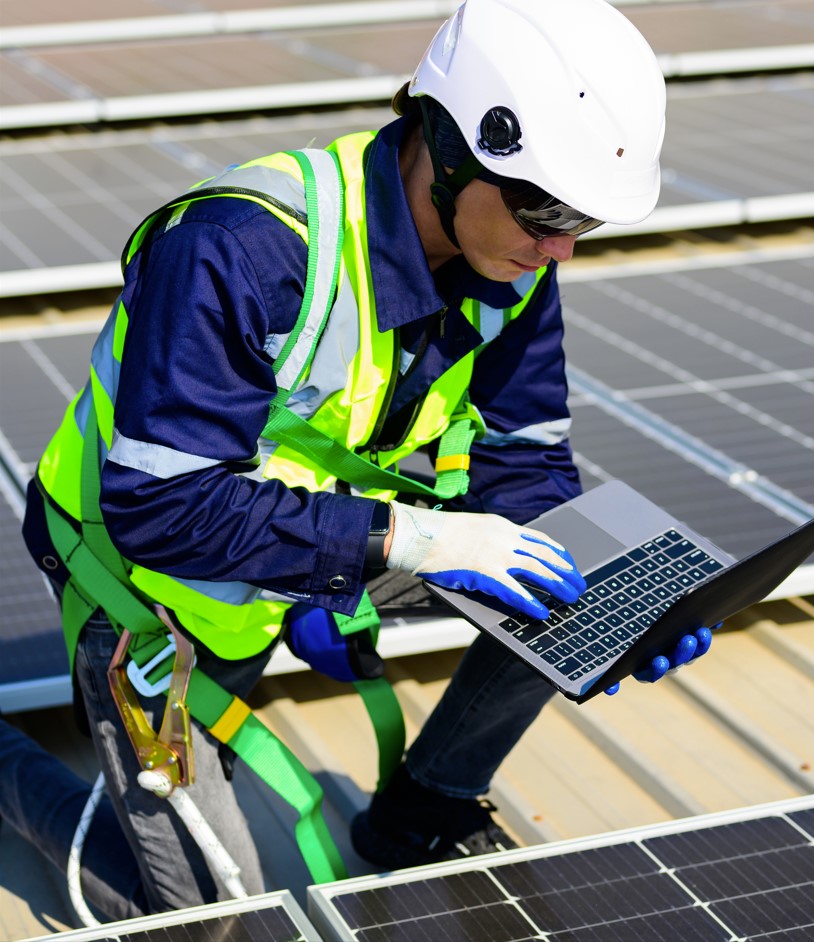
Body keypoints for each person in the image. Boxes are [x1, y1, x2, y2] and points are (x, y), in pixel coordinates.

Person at [3, 0, 712, 922]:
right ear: (449, 148)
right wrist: (398, 543)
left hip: (318, 545)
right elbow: (159, 510)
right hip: (144, 575)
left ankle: (423, 809)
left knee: (570, 575)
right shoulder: (242, 248)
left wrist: (619, 609)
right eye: (545, 209)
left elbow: (525, 470)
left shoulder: (513, 265)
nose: (560, 247)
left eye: (584, 221)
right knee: (201, 919)